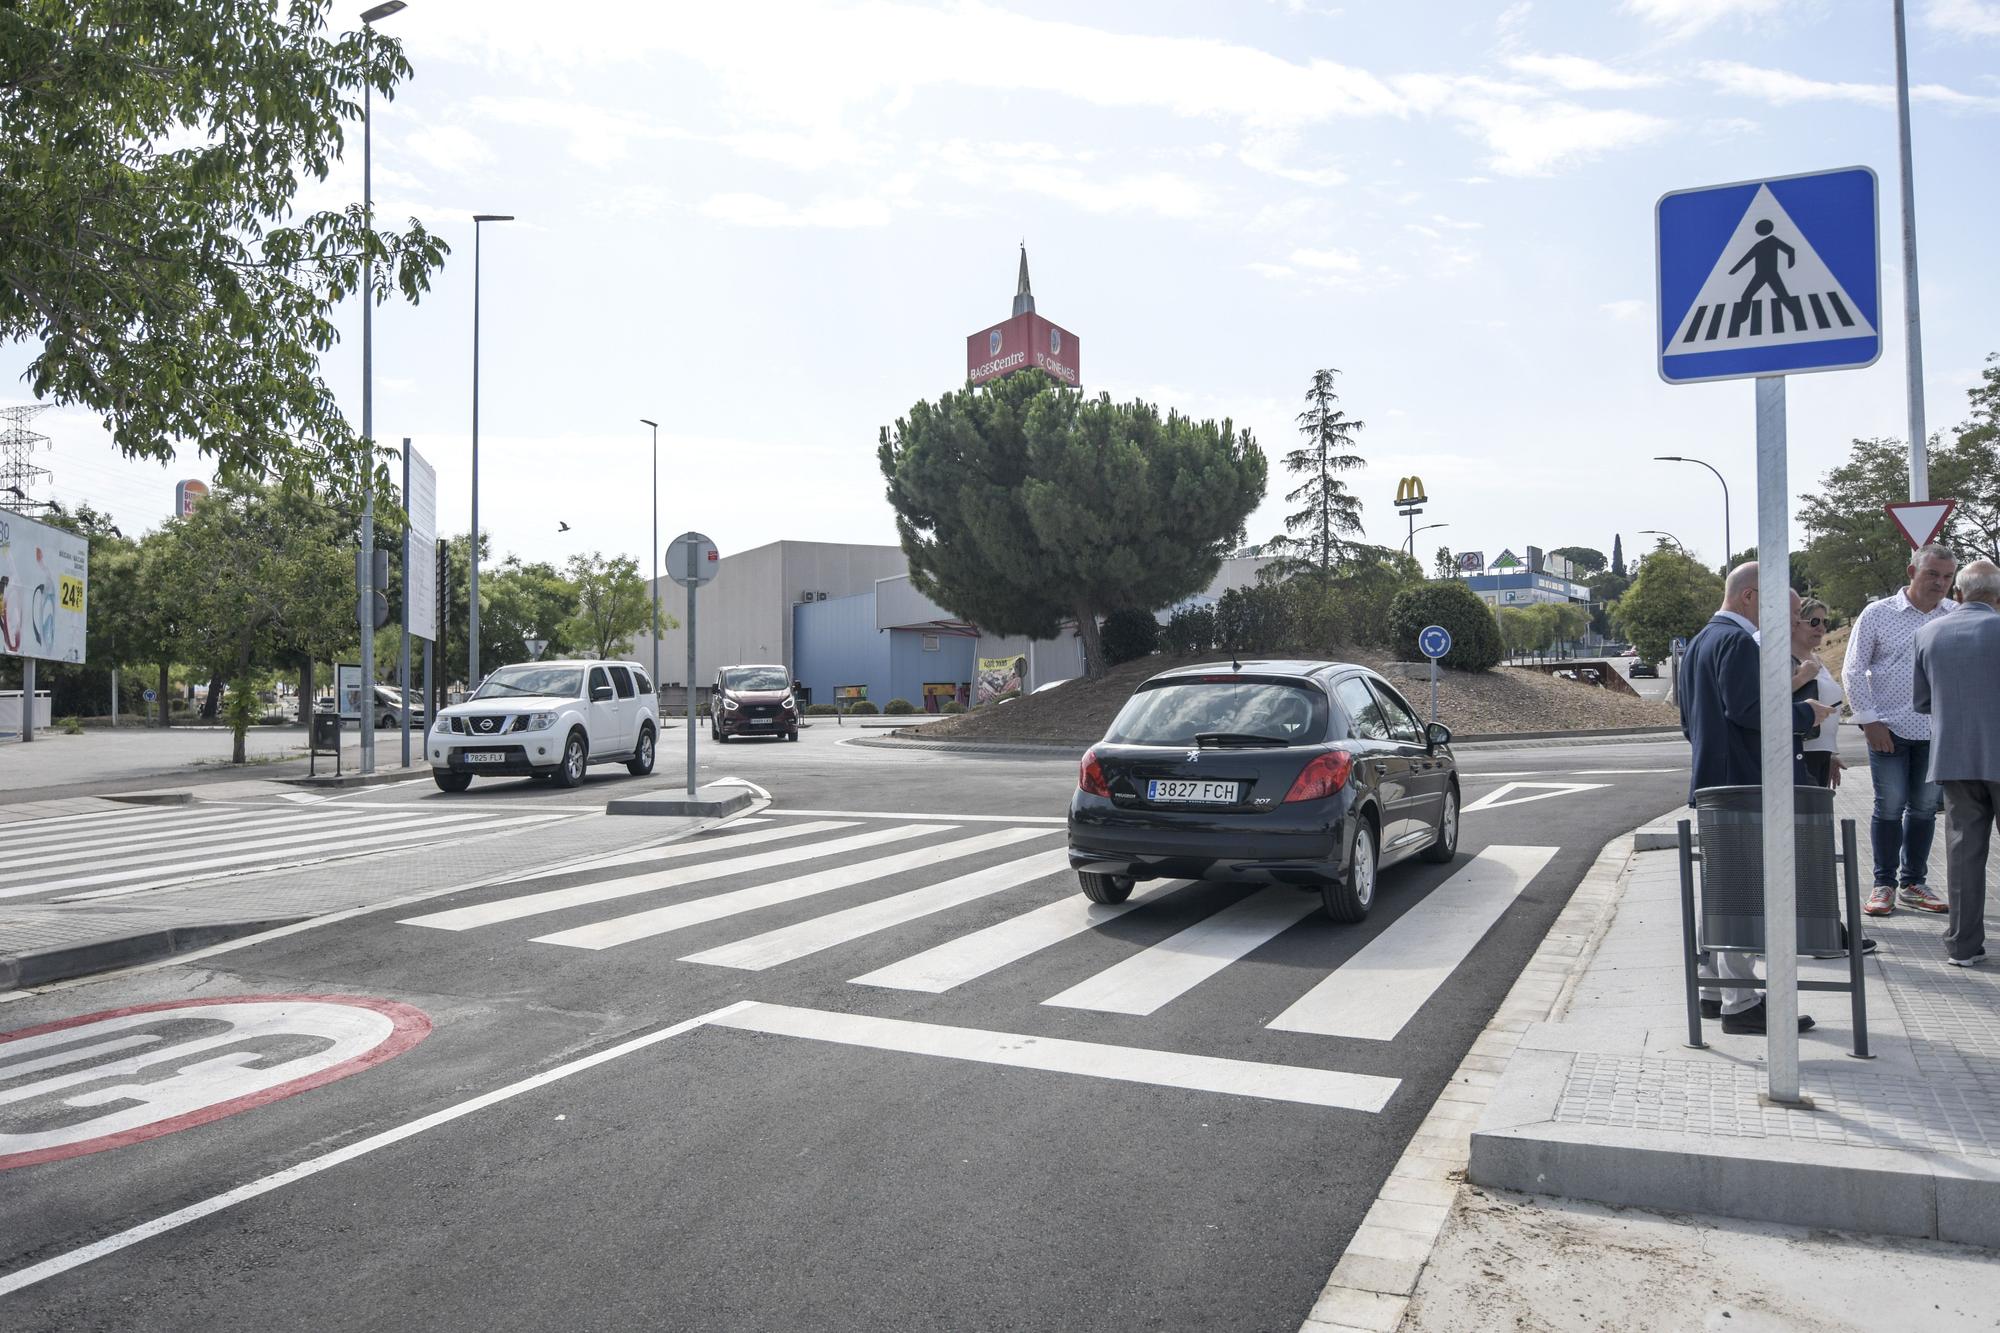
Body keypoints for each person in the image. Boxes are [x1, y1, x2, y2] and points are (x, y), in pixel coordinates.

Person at [1681, 563, 1832, 1033]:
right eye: (1783, 611)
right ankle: (1741, 1003)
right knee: (1746, 896)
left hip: (1717, 780)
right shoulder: (1738, 641)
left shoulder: (1700, 641)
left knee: (1724, 892)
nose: (1788, 623)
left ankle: (1713, 990)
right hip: (1745, 784)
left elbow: (1691, 719)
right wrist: (1806, 714)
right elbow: (1749, 712)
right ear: (1750, 597)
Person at [1843, 543, 1958, 917]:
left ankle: (1913, 882)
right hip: (1888, 731)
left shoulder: (1954, 615)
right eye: (1932, 574)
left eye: (1947, 577)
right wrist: (1869, 720)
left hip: (1937, 732)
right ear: (1912, 572)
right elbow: (1853, 669)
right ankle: (1883, 884)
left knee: (1924, 809)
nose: (1940, 583)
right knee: (1889, 807)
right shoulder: (1877, 614)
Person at [1912, 559, 2000, 967]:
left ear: (1958, 592)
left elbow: (1922, 702)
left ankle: (1963, 946)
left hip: (1953, 756)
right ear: (1997, 596)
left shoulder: (1927, 632)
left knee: (1963, 852)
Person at [1792, 598, 1843, 789]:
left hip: (1821, 752)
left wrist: (1831, 753)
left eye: (1824, 622)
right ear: (1795, 623)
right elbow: (1770, 700)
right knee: (1806, 815)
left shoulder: (1817, 659)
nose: (1821, 628)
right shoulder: (1784, 659)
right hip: (1799, 752)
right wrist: (1802, 677)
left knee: (1818, 815)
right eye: (1814, 622)